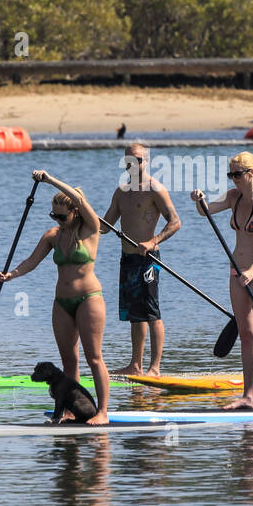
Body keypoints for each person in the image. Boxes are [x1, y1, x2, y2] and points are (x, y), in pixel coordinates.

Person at [0, 170, 110, 423]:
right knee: (69, 361)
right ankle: (70, 410)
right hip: (62, 303)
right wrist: (11, 275)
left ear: (75, 213)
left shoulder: (91, 229)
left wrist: (50, 181)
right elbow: (31, 261)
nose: (57, 219)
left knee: (94, 357)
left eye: (62, 215)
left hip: (89, 298)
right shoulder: (52, 236)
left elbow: (81, 201)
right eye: (53, 215)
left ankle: (102, 412)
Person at [190, 152, 253, 411]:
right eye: (230, 175)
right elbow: (205, 212)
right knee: (246, 335)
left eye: (237, 174)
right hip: (236, 271)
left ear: (251, 174)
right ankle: (249, 396)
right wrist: (198, 200)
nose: (233, 179)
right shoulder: (233, 197)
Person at [101, 143, 181, 376]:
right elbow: (105, 227)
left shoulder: (155, 189)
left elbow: (175, 222)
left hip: (148, 260)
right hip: (127, 259)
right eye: (128, 161)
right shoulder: (121, 192)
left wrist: (153, 241)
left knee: (151, 312)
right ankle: (135, 365)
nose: (132, 165)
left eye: (137, 160)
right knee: (135, 315)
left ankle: (154, 368)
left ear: (146, 161)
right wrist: (79, 217)